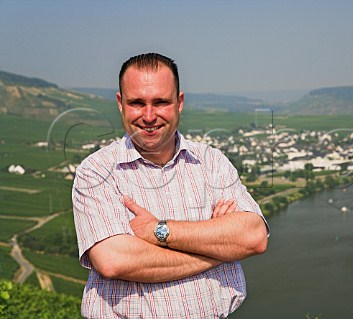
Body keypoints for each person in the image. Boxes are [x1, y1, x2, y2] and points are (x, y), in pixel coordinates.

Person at [72, 53, 269, 319]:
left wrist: (157, 231)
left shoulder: (211, 162)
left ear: (179, 103)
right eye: (137, 103)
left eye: (161, 102)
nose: (149, 116)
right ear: (120, 103)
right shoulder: (96, 171)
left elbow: (253, 237)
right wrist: (220, 251)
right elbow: (114, 261)